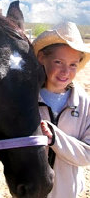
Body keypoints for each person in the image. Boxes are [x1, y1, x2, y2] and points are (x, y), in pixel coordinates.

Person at [32, 21, 90, 198]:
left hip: (67, 192)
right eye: (58, 62)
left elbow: (87, 154)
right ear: (42, 58)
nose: (66, 71)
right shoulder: (28, 98)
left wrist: (56, 138)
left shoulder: (83, 101)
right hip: (32, 191)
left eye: (73, 64)